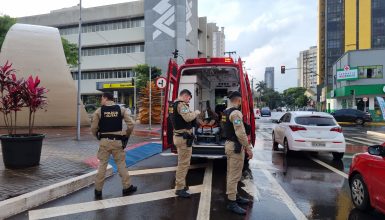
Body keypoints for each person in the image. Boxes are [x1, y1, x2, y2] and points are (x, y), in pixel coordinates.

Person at [91, 92, 137, 200]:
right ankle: (127, 187)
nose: (101, 101)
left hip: (104, 142)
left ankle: (98, 190)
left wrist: (98, 136)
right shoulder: (120, 109)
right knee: (121, 164)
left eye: (101, 99)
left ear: (106, 98)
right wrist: (126, 134)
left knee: (102, 164)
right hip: (117, 141)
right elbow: (132, 124)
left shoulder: (99, 111)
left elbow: (93, 128)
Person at [222, 91, 254, 215]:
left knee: (232, 173)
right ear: (239, 101)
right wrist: (248, 148)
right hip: (235, 147)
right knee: (234, 175)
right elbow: (240, 133)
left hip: (230, 145)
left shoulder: (226, 112)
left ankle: (234, 196)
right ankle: (231, 202)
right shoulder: (235, 113)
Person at [172, 89, 200, 198]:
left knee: (182, 163)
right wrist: (196, 112)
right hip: (182, 138)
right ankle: (179, 188)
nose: (189, 101)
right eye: (189, 98)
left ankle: (181, 185)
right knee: (183, 164)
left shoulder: (174, 105)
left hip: (179, 137)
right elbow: (188, 117)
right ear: (185, 95)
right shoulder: (181, 105)